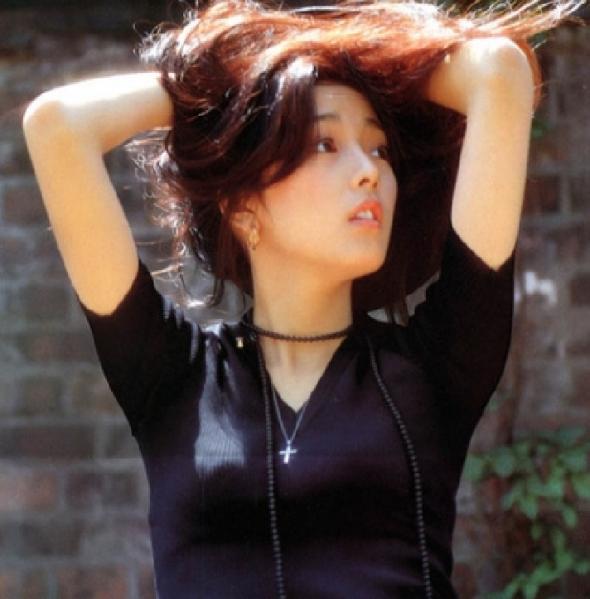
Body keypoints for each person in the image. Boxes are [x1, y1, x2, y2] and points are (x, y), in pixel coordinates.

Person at [22, 0, 583, 597]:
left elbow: (497, 72)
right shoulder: (172, 379)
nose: (368, 171)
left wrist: (338, 56)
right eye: (324, 144)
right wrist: (242, 86)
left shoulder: (435, 366)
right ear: (243, 207)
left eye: (379, 149)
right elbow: (58, 126)